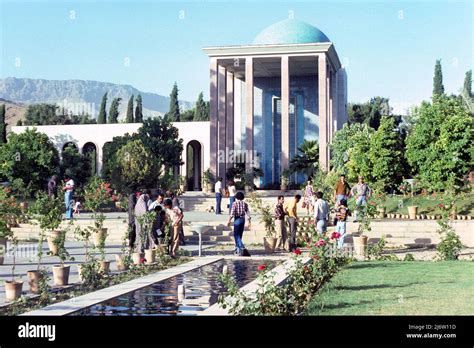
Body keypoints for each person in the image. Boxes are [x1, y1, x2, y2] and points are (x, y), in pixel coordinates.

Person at [227, 191, 251, 256]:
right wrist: (249, 222)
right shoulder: (245, 203)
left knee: (236, 235)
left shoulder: (235, 203)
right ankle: (238, 250)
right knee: (240, 235)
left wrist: (229, 221)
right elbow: (248, 213)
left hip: (237, 219)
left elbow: (232, 213)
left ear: (236, 197)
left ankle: (242, 248)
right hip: (243, 219)